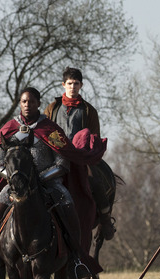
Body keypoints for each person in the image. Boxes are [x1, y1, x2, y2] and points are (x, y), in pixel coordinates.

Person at [0, 87, 106, 279]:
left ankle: (76, 261)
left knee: (70, 212)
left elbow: (62, 163)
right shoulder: (8, 129)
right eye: (24, 102)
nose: (27, 105)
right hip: (15, 185)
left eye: (31, 102)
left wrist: (39, 179)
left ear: (38, 104)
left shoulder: (50, 130)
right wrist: (14, 178)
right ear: (20, 104)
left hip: (49, 183)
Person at [44, 67, 116, 241]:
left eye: (76, 83)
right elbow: (45, 132)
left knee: (95, 180)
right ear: (63, 85)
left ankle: (105, 220)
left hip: (81, 156)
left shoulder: (89, 110)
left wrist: (83, 151)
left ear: (81, 85)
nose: (73, 87)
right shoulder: (52, 108)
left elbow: (94, 136)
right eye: (69, 83)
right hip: (56, 156)